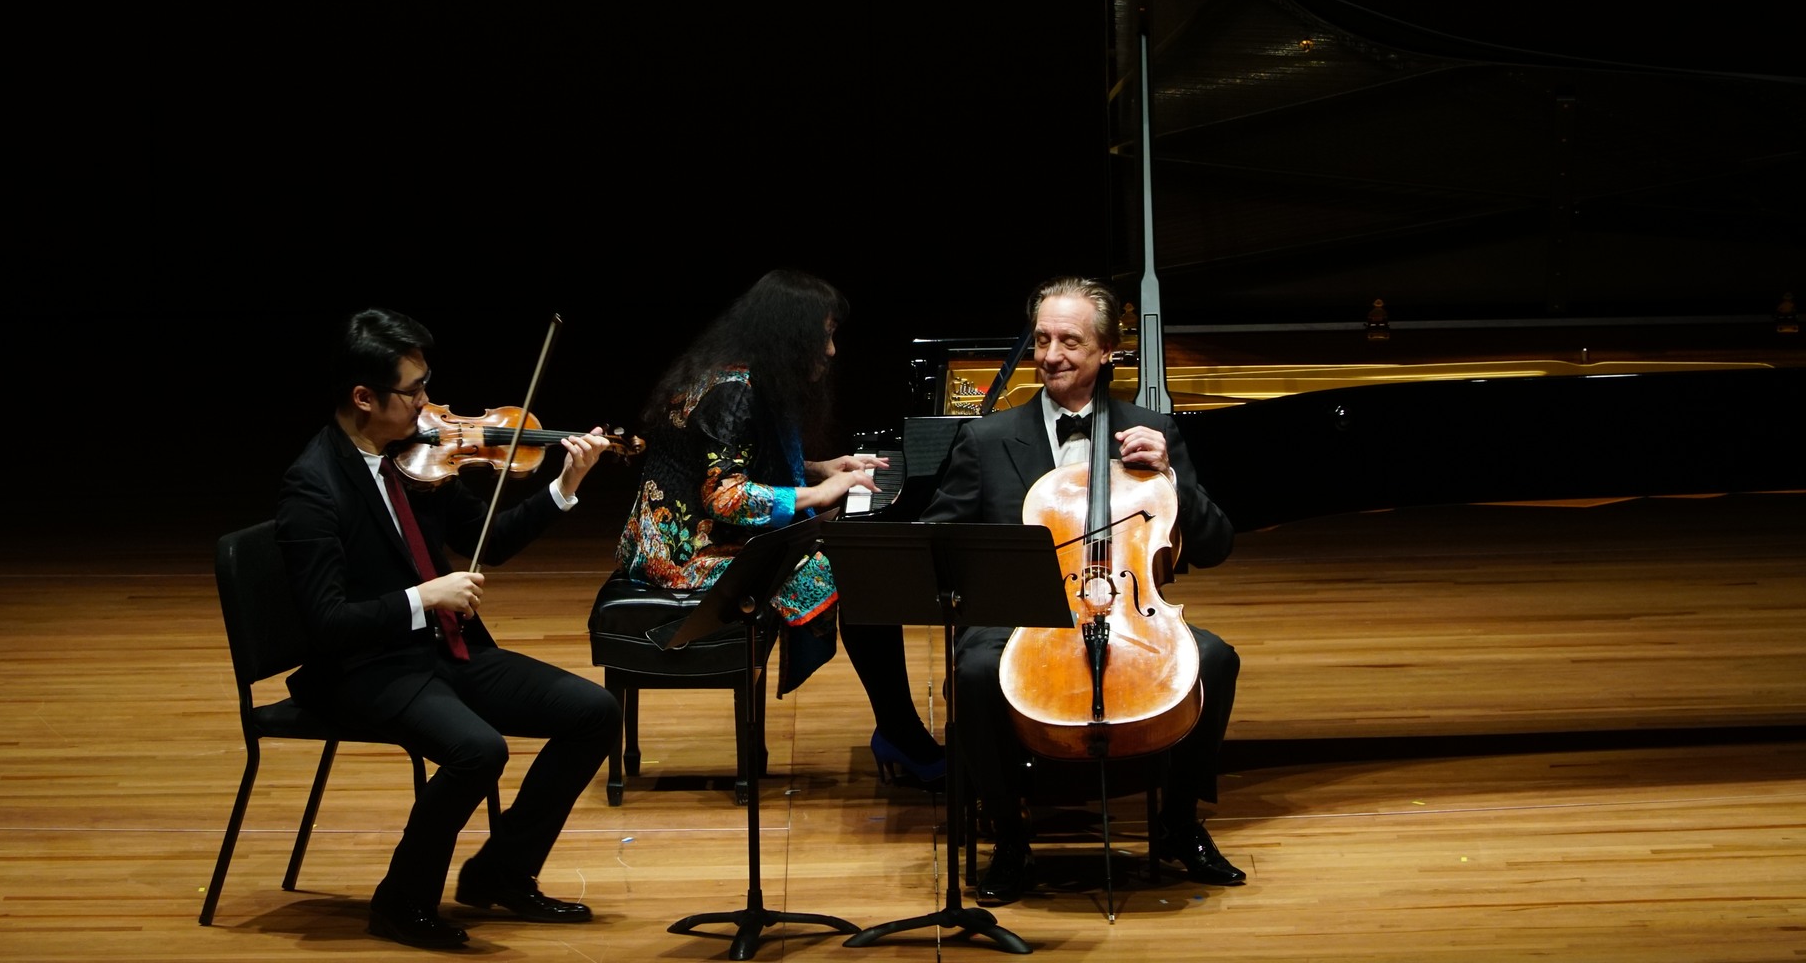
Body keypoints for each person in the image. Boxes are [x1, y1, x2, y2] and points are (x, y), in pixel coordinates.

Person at [277, 307, 623, 951]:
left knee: (594, 711)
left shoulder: (418, 460)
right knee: (479, 749)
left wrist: (563, 486)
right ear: (363, 397)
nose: (430, 405)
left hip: (444, 652)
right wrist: (423, 596)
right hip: (365, 670)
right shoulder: (313, 487)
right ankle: (401, 901)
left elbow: (486, 542)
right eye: (414, 391)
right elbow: (324, 624)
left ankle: (500, 872)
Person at [919, 275, 1245, 905]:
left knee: (1215, 658)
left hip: (1129, 609)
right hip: (1022, 619)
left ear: (1106, 353)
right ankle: (1010, 839)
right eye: (1041, 339)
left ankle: (1179, 823)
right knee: (978, 672)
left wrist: (1172, 475)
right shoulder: (985, 440)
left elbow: (1215, 545)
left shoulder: (1151, 431)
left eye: (1069, 340)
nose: (1050, 355)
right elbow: (942, 540)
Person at [613, 268, 947, 785]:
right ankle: (900, 733)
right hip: (681, 551)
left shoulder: (743, 374)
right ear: (791, 335)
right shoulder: (732, 389)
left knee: (860, 570)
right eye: (826, 333)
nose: (832, 349)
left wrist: (820, 469)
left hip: (704, 533)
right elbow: (725, 495)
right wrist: (816, 494)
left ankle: (898, 730)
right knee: (859, 577)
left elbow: (736, 466)